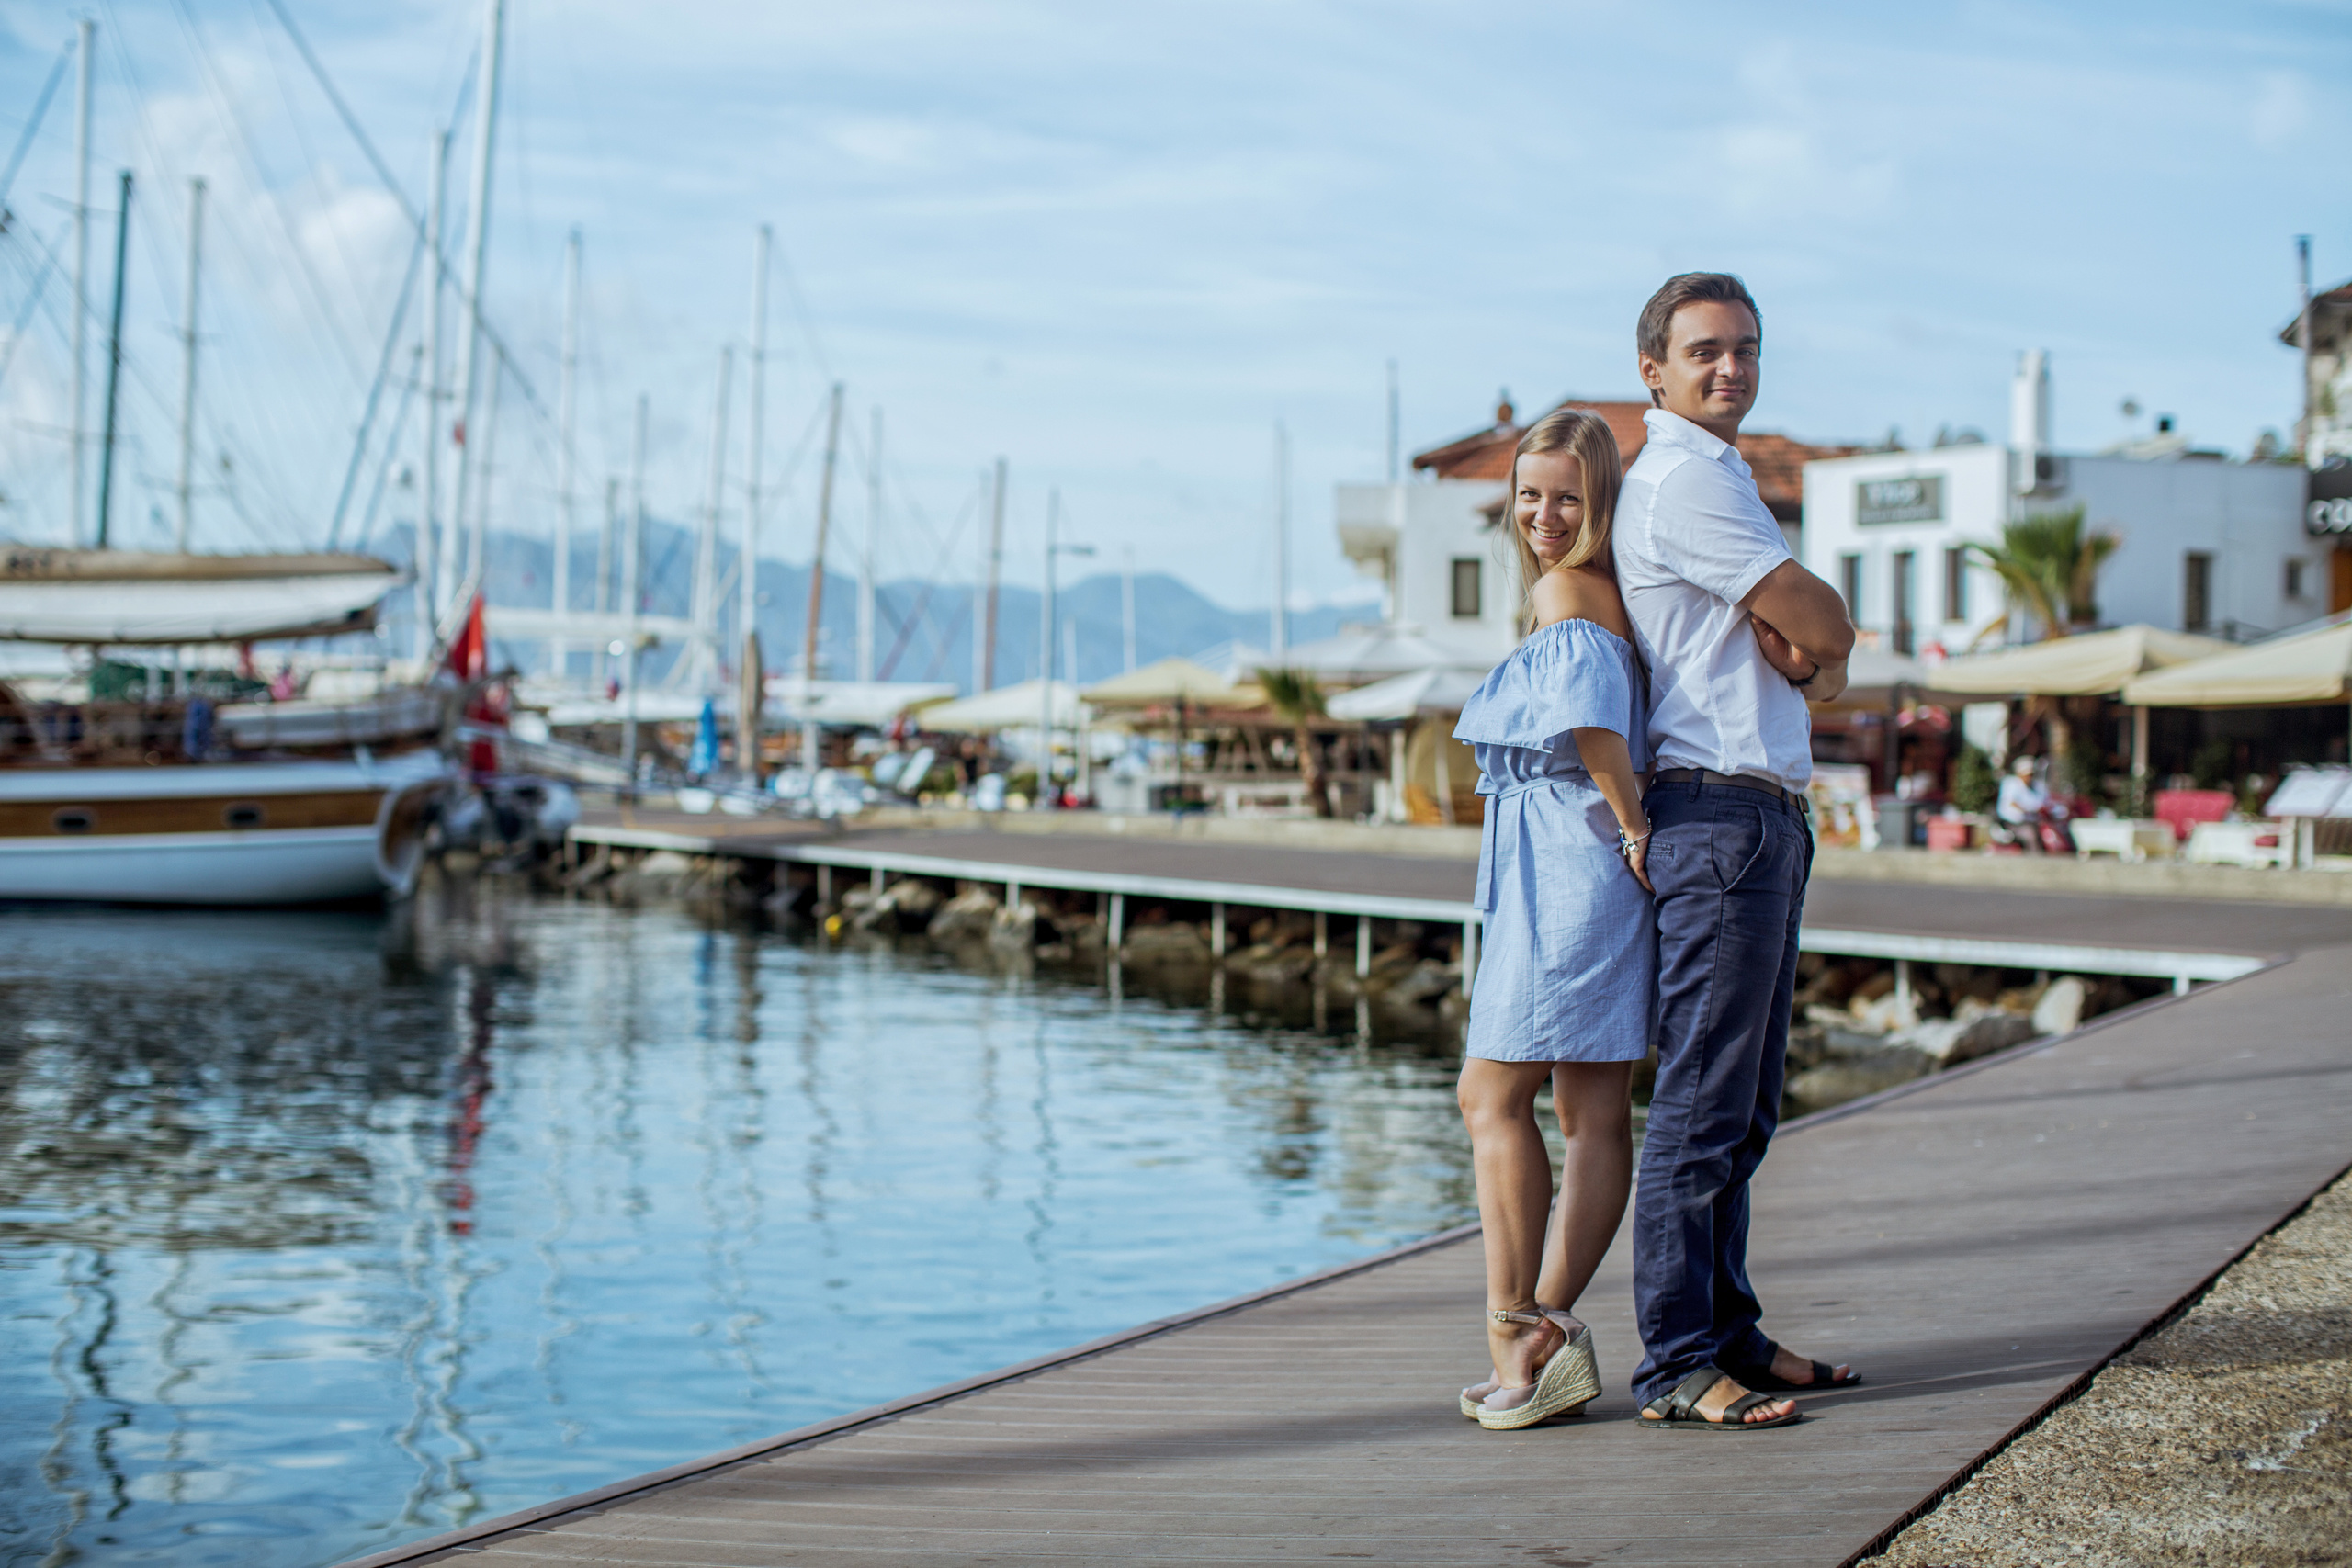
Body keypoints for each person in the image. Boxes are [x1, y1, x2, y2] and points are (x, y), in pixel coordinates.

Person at [1612, 272, 1860, 1432]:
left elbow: (1808, 639)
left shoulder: (1721, 479)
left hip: (1756, 815)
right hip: (1716, 813)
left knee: (1746, 1104)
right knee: (1703, 1106)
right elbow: (1820, 624)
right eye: (1705, 350)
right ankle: (1673, 1362)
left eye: (1747, 349)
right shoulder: (1679, 481)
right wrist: (1822, 643)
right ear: (1652, 369)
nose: (1732, 368)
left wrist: (1815, 647)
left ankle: (1728, 1333)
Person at [1450, 408, 1653, 1430]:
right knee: (1590, 1110)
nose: (1542, 513)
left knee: (1489, 1096)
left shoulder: (1567, 591)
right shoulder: (1601, 593)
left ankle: (1518, 1328)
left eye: (1567, 496)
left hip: (1569, 868)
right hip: (1571, 864)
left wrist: (1629, 826)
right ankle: (1544, 1330)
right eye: (1529, 494)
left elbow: (1591, 723)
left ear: (1601, 502)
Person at [1996, 754, 2052, 851]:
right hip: (2013, 824)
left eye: (2031, 774)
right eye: (2027, 775)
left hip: (2035, 822)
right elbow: (2012, 803)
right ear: (2020, 774)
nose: (2030, 777)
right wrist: (2031, 810)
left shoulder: (2037, 787)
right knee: (2031, 835)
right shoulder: (2011, 784)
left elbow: (2045, 803)